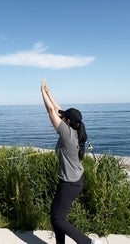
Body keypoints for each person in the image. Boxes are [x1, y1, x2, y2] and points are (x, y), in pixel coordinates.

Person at [41, 78, 100, 244]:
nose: (63, 116)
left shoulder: (67, 135)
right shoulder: (76, 130)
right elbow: (59, 110)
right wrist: (48, 91)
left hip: (70, 182)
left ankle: (88, 242)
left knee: (58, 219)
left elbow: (52, 111)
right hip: (73, 179)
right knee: (56, 217)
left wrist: (41, 92)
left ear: (68, 122)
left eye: (65, 117)